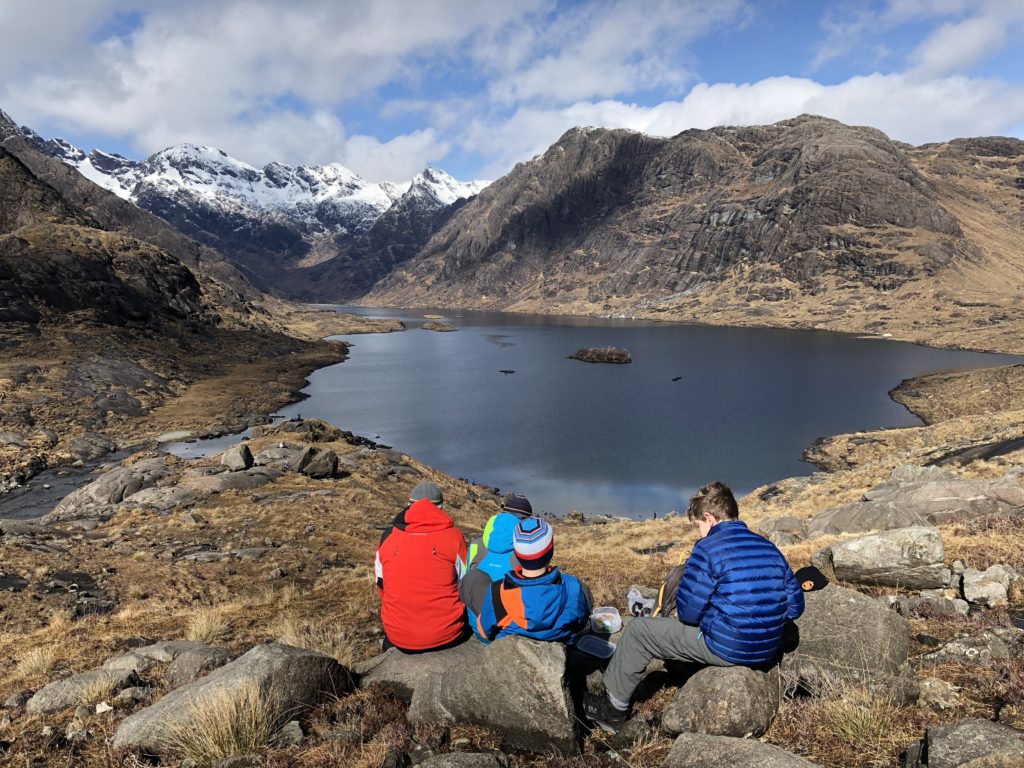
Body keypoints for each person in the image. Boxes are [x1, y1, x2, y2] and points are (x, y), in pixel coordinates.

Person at [584, 481, 804, 733]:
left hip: (727, 647)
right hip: (767, 648)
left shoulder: (707, 548)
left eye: (698, 525)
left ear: (709, 518)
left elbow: (688, 613)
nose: (699, 532)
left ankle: (612, 712)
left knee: (638, 631)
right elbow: (796, 607)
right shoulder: (769, 548)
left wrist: (717, 616)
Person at [375, 482, 468, 653]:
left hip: (398, 636)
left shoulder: (387, 537)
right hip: (448, 635)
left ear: (409, 505)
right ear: (440, 507)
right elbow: (465, 584)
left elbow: (381, 584)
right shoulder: (455, 537)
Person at [475, 517, 591, 643]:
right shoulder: (574, 588)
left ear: (516, 553)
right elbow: (581, 623)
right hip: (562, 652)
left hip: (512, 655)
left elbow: (485, 631)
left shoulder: (497, 592)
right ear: (551, 550)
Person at [459, 493, 534, 638]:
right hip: (507, 634)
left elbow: (464, 584)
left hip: (476, 627)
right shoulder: (525, 552)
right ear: (526, 521)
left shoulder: (475, 544)